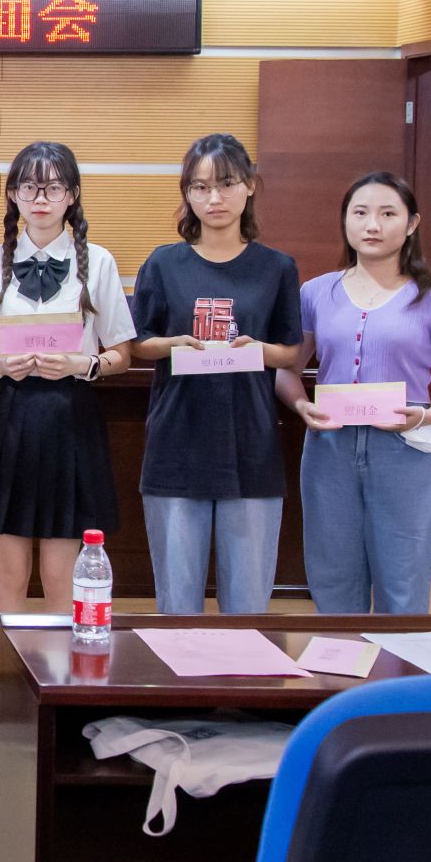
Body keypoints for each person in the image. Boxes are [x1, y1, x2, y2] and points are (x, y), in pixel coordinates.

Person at [278, 171, 431, 613]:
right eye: (360, 213)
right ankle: (341, 659)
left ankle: (400, 659)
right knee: (333, 574)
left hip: (405, 447)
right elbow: (287, 369)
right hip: (330, 447)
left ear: (411, 223)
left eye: (387, 214)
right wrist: (300, 404)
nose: (372, 225)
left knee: (403, 578)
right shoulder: (316, 293)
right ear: (345, 220)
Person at [0, 141, 134, 614]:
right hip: (8, 415)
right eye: (29, 187)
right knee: (9, 571)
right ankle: (9, 661)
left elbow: (122, 352)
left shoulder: (98, 261)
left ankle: (61, 664)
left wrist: (83, 364)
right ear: (12, 194)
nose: (40, 198)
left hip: (69, 416)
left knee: (61, 573)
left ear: (71, 195)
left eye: (53, 188)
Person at [129, 134, 304, 613]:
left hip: (250, 445)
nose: (214, 198)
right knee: (177, 605)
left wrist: (259, 350)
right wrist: (175, 344)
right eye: (201, 187)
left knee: (247, 608)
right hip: (176, 443)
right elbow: (138, 342)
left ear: (249, 186)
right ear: (187, 193)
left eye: (226, 184)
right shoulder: (163, 263)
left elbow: (291, 350)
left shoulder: (277, 268)